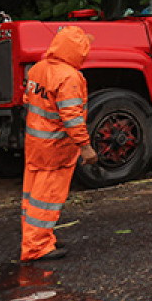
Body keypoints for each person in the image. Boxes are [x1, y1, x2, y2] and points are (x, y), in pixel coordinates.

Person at [21, 26, 98, 262]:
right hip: (56, 149)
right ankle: (37, 247)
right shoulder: (69, 77)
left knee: (33, 196)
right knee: (47, 198)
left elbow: (27, 100)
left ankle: (39, 239)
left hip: (36, 145)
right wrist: (85, 147)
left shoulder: (38, 69)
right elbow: (72, 118)